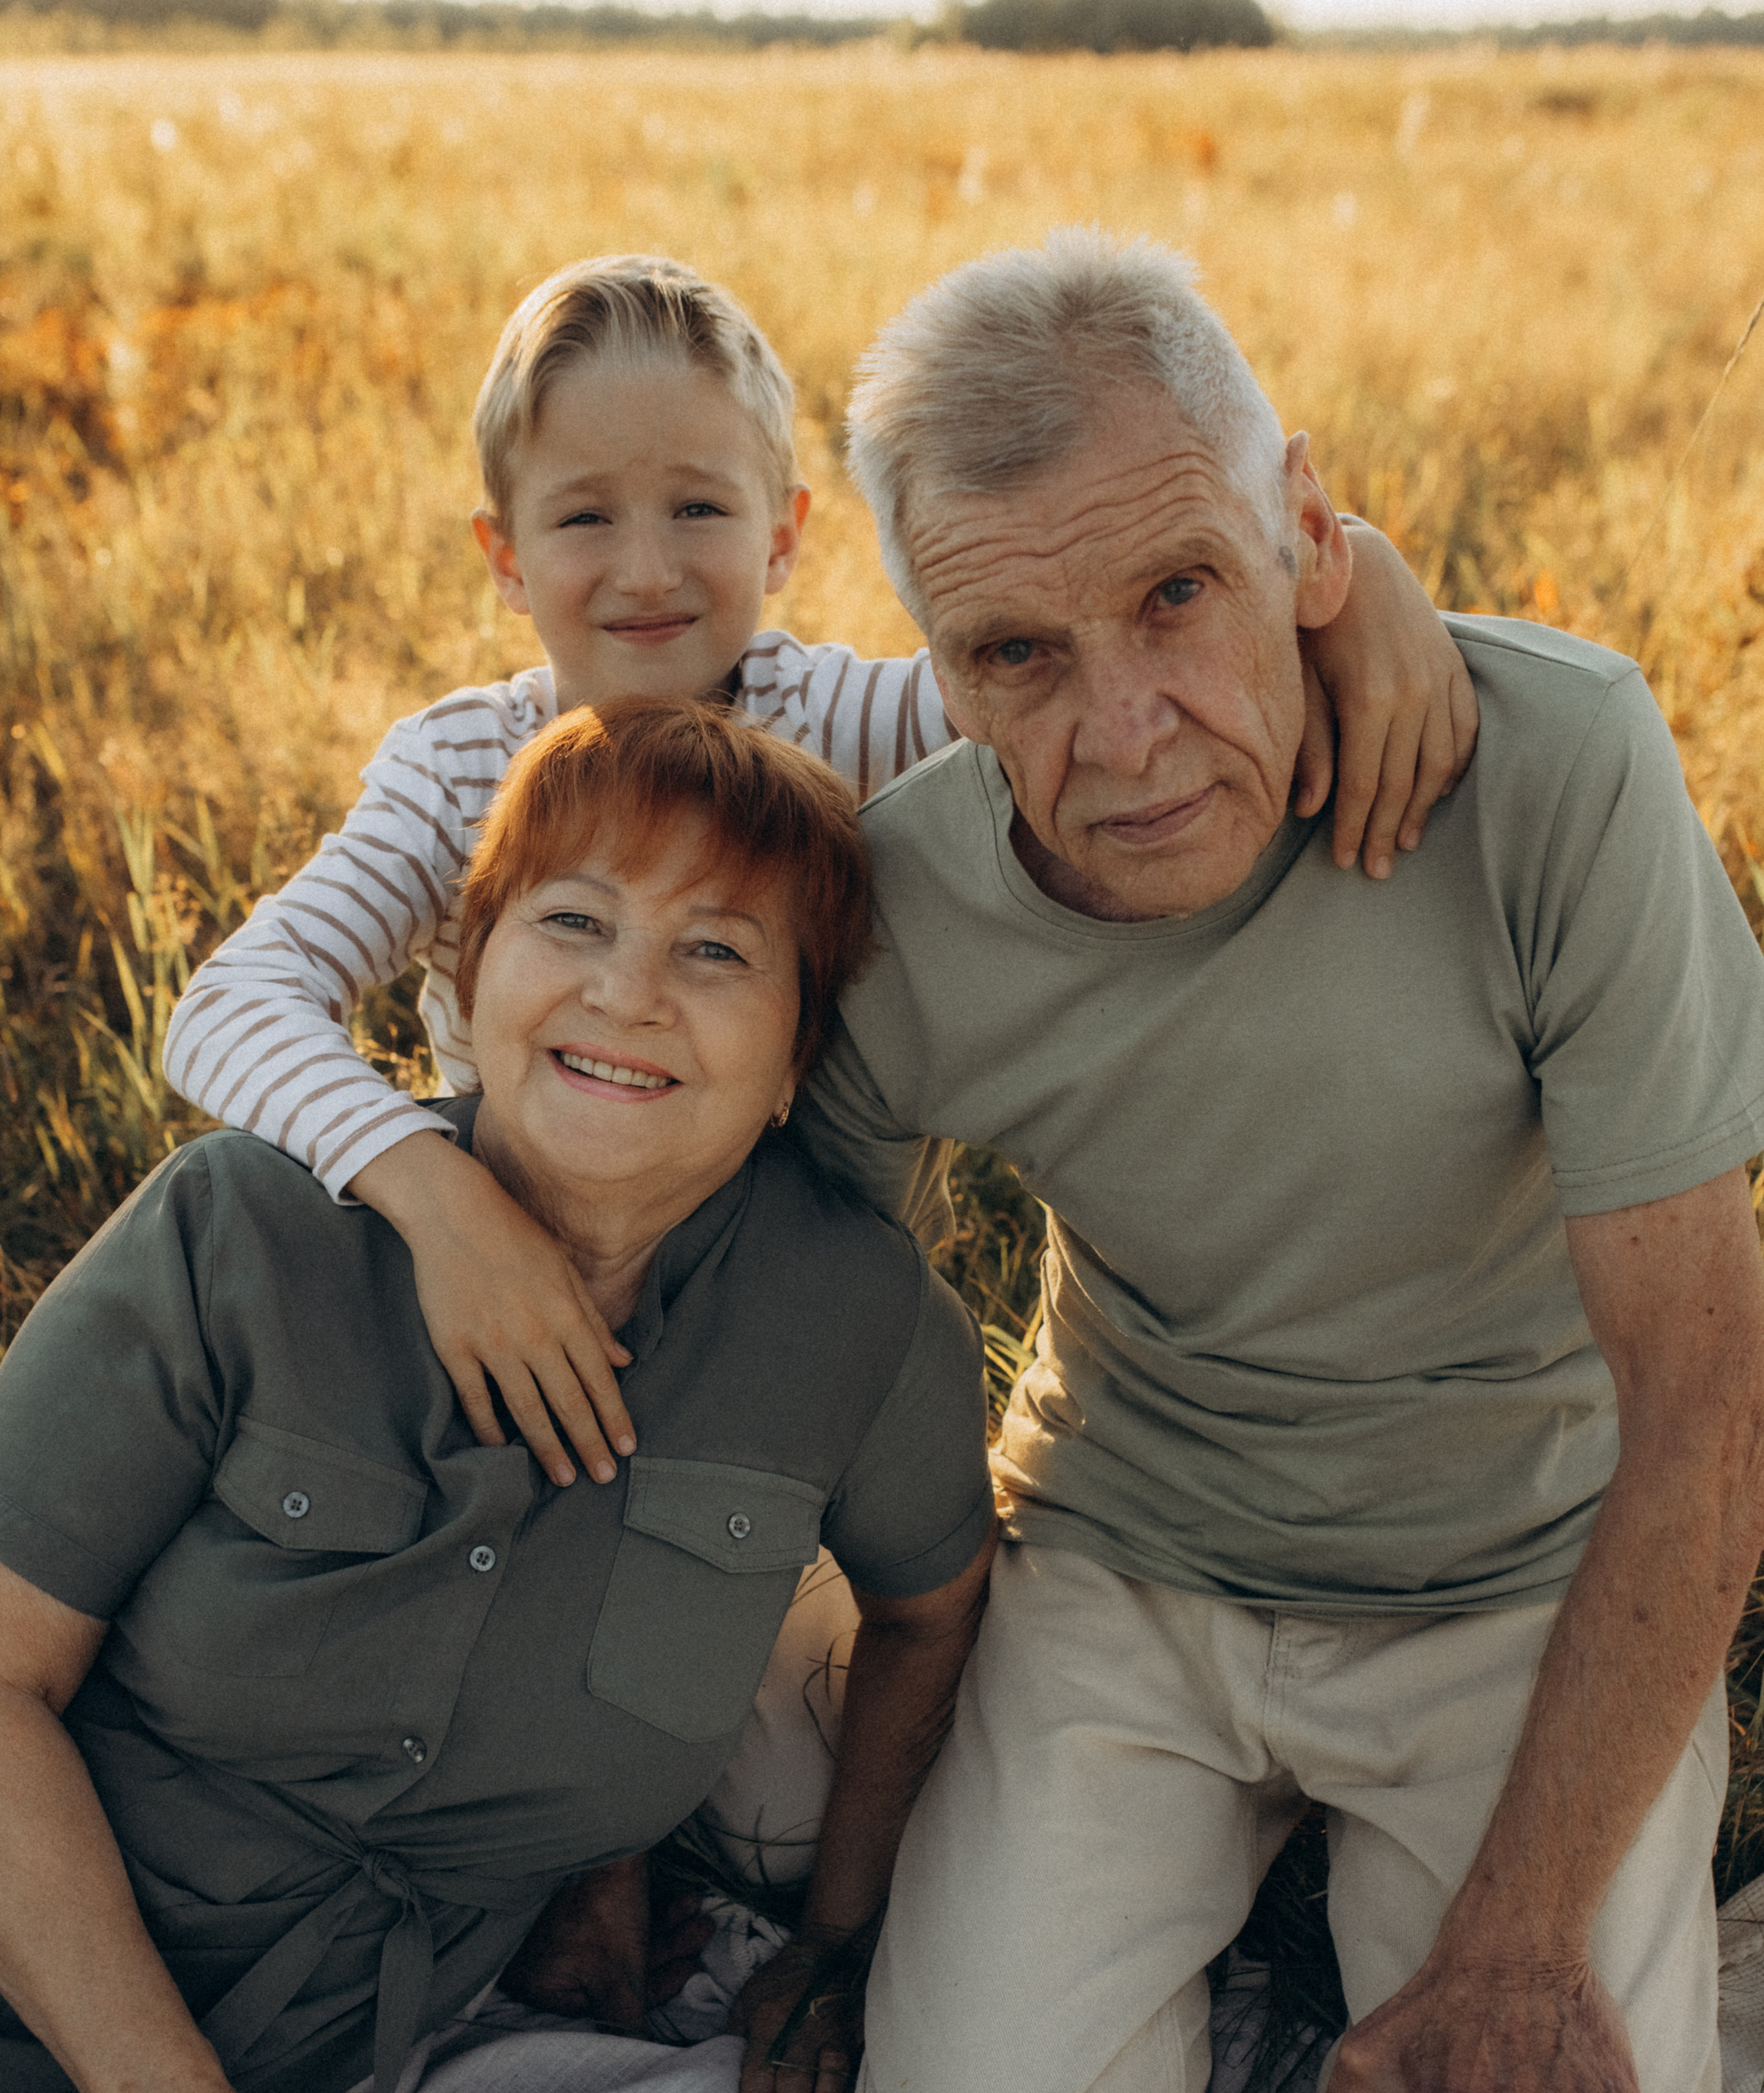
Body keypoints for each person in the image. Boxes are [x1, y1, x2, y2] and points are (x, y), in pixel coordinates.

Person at [782, 229, 1764, 2093]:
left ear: (1311, 528)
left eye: (1179, 596)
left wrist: (1512, 1952)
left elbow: (1709, 1400)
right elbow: (766, 1295)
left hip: (1514, 1572)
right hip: (1129, 1555)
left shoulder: (1554, 769)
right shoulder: (909, 899)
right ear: (936, 669)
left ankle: (1383, 1949)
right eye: (1015, 654)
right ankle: (1241, 1981)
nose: (1125, 734)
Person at [0, 701, 995, 2093]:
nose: (626, 992)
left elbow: (931, 1609)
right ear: (465, 976)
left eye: (716, 951)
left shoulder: (854, 1324)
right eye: (574, 921)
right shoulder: (240, 1230)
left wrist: (834, 1941)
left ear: (798, 1054)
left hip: (360, 2082)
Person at [161, 251, 1475, 1501]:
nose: (647, 567)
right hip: (515, 1278)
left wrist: (1354, 577)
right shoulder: (460, 767)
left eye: (698, 506)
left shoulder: (845, 721)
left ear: (784, 533)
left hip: (782, 1305)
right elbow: (230, 1006)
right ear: (505, 554)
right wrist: (445, 1209)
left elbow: (1066, 662)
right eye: (582, 517)